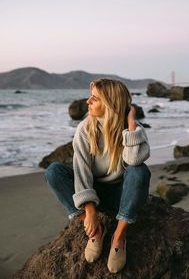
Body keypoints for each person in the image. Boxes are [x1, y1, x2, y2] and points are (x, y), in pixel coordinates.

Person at [45, 78, 151, 273]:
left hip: (122, 195)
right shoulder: (85, 129)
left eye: (94, 98)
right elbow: (82, 170)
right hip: (95, 192)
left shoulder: (132, 131)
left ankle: (119, 236)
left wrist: (130, 125)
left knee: (140, 171)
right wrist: (91, 212)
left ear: (111, 103)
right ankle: (96, 231)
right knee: (54, 171)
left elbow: (134, 160)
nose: (87, 102)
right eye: (90, 97)